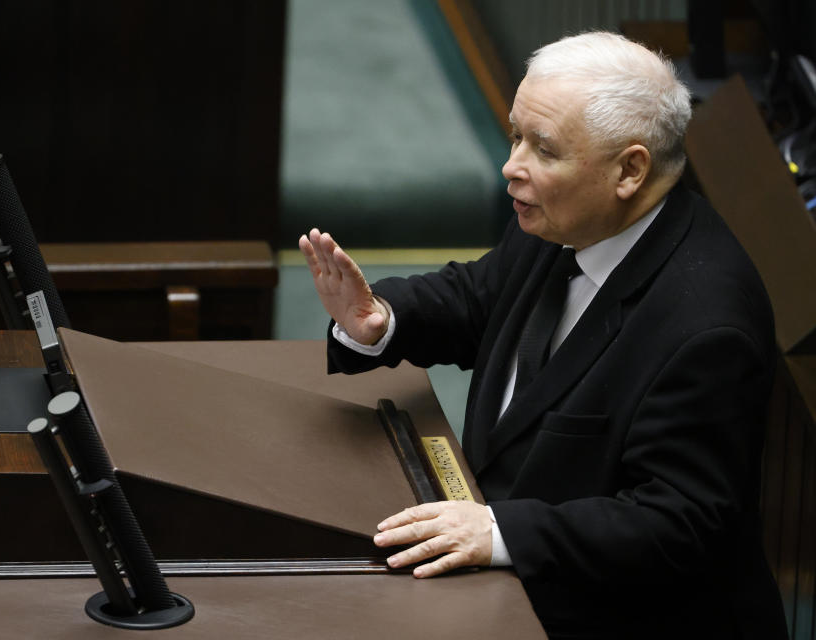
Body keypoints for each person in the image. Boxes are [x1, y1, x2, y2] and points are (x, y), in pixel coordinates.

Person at [299, 31, 788, 638]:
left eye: (544, 150)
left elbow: (677, 521)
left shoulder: (707, 326)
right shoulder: (567, 220)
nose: (511, 167)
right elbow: (481, 296)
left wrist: (499, 532)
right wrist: (380, 319)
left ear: (630, 170)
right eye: (514, 136)